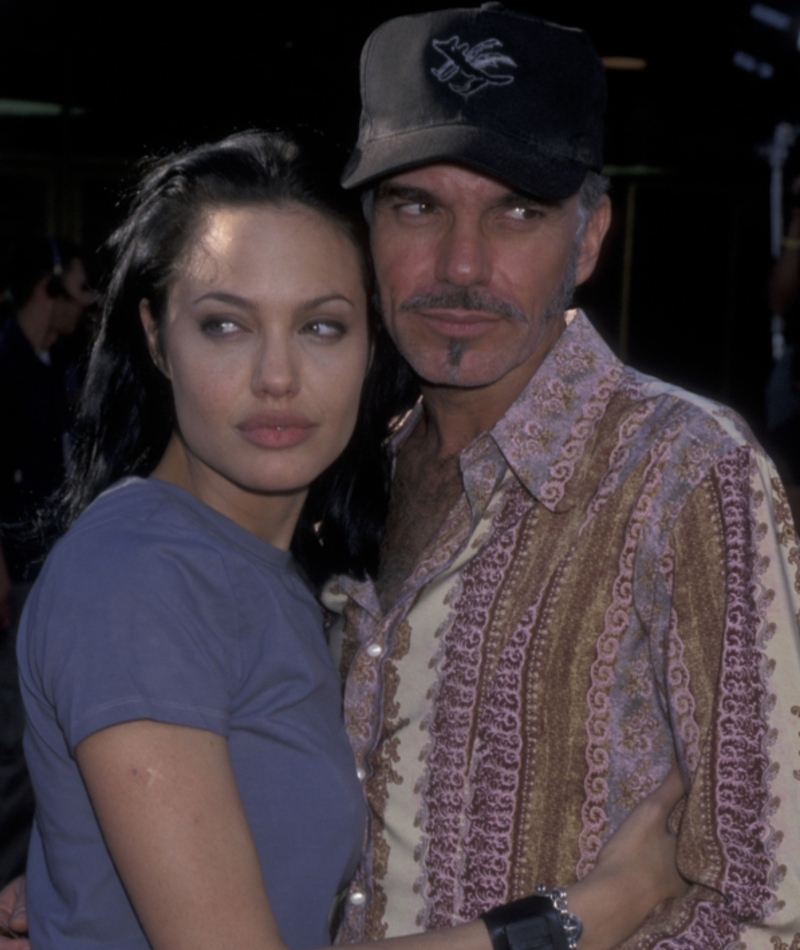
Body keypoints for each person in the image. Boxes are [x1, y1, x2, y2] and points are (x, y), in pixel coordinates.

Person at [0, 129, 686, 950]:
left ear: (371, 345)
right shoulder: (141, 574)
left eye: (321, 327)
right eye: (225, 325)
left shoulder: (274, 573)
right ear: (156, 337)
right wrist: (595, 907)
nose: (278, 376)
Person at [319, 6, 800, 948]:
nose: (460, 265)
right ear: (367, 232)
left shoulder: (686, 473)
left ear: (588, 239)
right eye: (417, 205)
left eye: (518, 210)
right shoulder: (334, 471)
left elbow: (766, 907)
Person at [0, 236, 94, 889]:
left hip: (50, 572)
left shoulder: (53, 364)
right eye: (79, 290)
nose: (86, 303)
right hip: (18, 574)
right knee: (14, 739)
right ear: (47, 290)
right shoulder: (3, 364)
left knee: (42, 733)